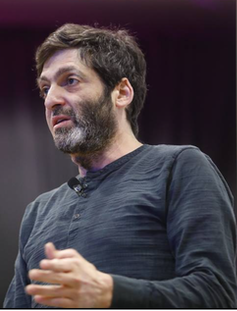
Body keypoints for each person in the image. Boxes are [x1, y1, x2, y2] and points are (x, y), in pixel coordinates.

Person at [4, 23, 237, 308]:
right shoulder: (38, 211)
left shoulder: (179, 167)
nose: (51, 99)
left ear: (122, 93)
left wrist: (110, 292)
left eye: (70, 80)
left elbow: (217, 295)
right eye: (45, 88)